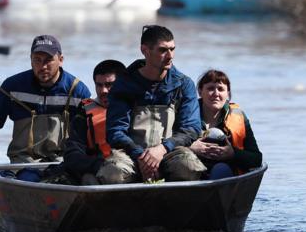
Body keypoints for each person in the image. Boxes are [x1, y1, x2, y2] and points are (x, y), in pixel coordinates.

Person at [0, 35, 91, 165]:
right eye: (37, 59)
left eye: (48, 60)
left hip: (64, 163)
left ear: (61, 60)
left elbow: (89, 132)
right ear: (30, 59)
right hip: (23, 164)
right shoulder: (12, 86)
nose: (43, 66)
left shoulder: (78, 91)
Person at [104, 25, 204, 183]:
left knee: (189, 165)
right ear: (145, 50)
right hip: (131, 155)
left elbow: (191, 129)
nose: (170, 56)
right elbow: (116, 131)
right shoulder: (124, 85)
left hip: (170, 153)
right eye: (163, 50)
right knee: (113, 171)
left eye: (172, 49)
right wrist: (142, 157)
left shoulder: (184, 84)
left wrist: (162, 149)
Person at [189, 69, 262, 179]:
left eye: (221, 89)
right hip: (191, 168)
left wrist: (232, 154)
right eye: (210, 88)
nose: (216, 93)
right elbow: (169, 147)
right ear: (200, 92)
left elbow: (256, 159)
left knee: (221, 169)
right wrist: (191, 148)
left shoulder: (238, 116)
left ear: (227, 93)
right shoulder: (186, 114)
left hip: (226, 174)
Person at [63, 60, 126, 184]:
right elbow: (72, 154)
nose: (103, 91)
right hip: (100, 169)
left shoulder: (137, 108)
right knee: (88, 179)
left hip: (130, 167)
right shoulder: (84, 112)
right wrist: (98, 164)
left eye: (109, 85)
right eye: (99, 85)